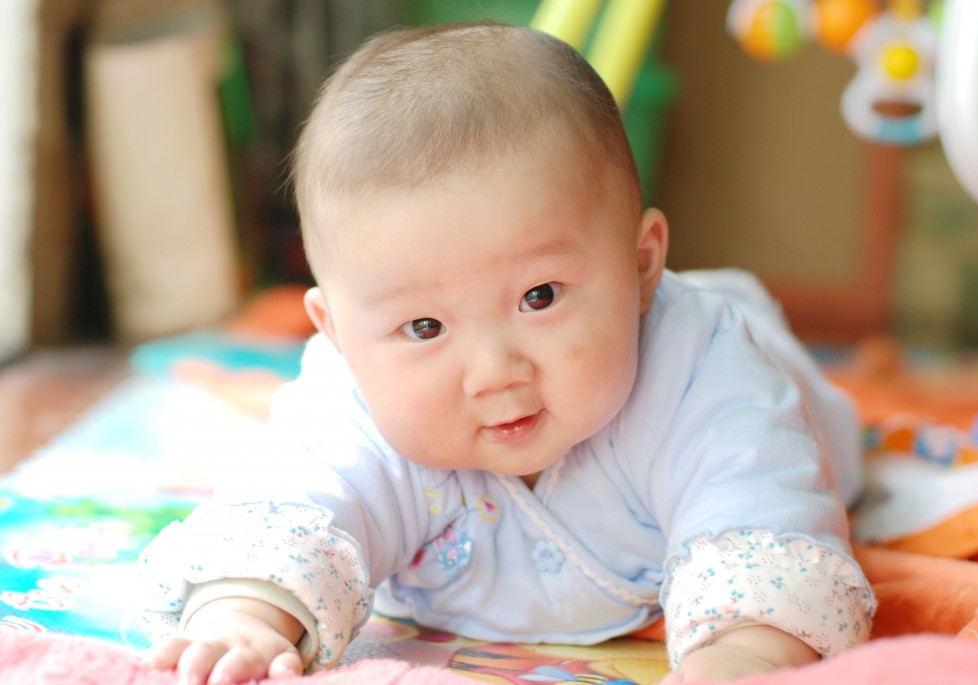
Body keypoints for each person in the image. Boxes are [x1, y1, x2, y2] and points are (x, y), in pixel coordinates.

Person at [135, 22, 875, 685]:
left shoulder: (698, 369)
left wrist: (745, 649)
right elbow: (291, 504)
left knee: (814, 436)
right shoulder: (353, 400)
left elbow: (760, 511)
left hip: (762, 368)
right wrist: (245, 613)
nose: (495, 372)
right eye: (425, 328)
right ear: (337, 334)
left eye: (540, 295)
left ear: (642, 262)